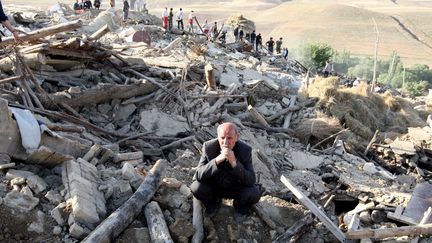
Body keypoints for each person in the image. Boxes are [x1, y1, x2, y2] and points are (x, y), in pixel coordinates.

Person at [190, 122, 261, 222]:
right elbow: (198, 175)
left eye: (229, 138)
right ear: (218, 137)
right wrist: (217, 160)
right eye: (222, 138)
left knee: (254, 193)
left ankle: (240, 208)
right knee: (196, 187)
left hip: (235, 188)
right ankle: (213, 204)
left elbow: (250, 180)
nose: (225, 142)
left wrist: (234, 163)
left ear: (237, 137)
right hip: (215, 188)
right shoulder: (209, 147)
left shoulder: (245, 150)